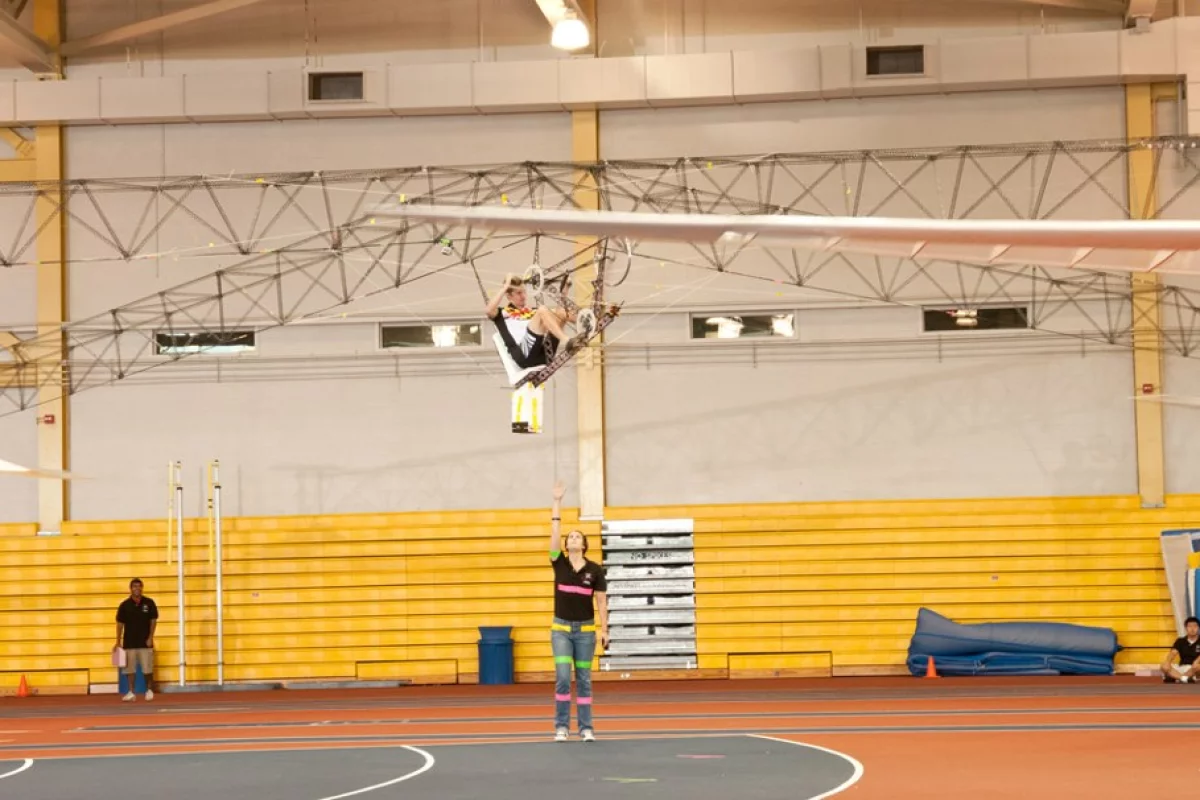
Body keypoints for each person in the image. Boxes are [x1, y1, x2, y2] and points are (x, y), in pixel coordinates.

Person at [548, 480, 609, 742]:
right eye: (569, 536)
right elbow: (554, 533)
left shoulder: (595, 570)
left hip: (585, 631)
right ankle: (561, 726)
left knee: (584, 680)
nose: (572, 538)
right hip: (561, 629)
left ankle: (586, 728)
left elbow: (602, 601)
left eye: (577, 536)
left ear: (583, 545)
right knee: (563, 678)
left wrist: (605, 630)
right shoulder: (558, 563)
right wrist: (557, 503)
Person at [485, 273, 581, 374]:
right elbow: (488, 310)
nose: (524, 296)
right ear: (509, 296)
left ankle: (585, 324)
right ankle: (566, 340)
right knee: (542, 310)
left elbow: (558, 313)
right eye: (519, 293)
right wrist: (505, 288)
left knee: (561, 312)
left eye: (524, 292)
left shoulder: (531, 312)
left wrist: (565, 289)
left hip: (544, 355)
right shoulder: (502, 314)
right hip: (523, 356)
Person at [114, 578, 159, 701]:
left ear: (142, 588)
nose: (137, 588)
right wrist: (118, 641)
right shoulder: (124, 605)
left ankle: (149, 690)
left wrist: (150, 637)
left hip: (145, 642)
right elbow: (120, 624)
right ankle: (130, 692)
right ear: (130, 588)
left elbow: (153, 621)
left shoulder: (149, 603)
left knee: (147, 668)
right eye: (134, 586)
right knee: (129, 669)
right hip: (129, 642)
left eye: (139, 586)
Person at [1161, 616, 1200, 683]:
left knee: (1198, 667)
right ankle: (1184, 678)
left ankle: (1176, 677)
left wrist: (1196, 661)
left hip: (1194, 668)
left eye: (1195, 626)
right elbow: (1173, 653)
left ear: (1198, 628)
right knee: (1164, 666)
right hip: (1181, 667)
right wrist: (1168, 662)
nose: (1192, 629)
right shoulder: (1180, 641)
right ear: (1186, 628)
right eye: (1190, 626)